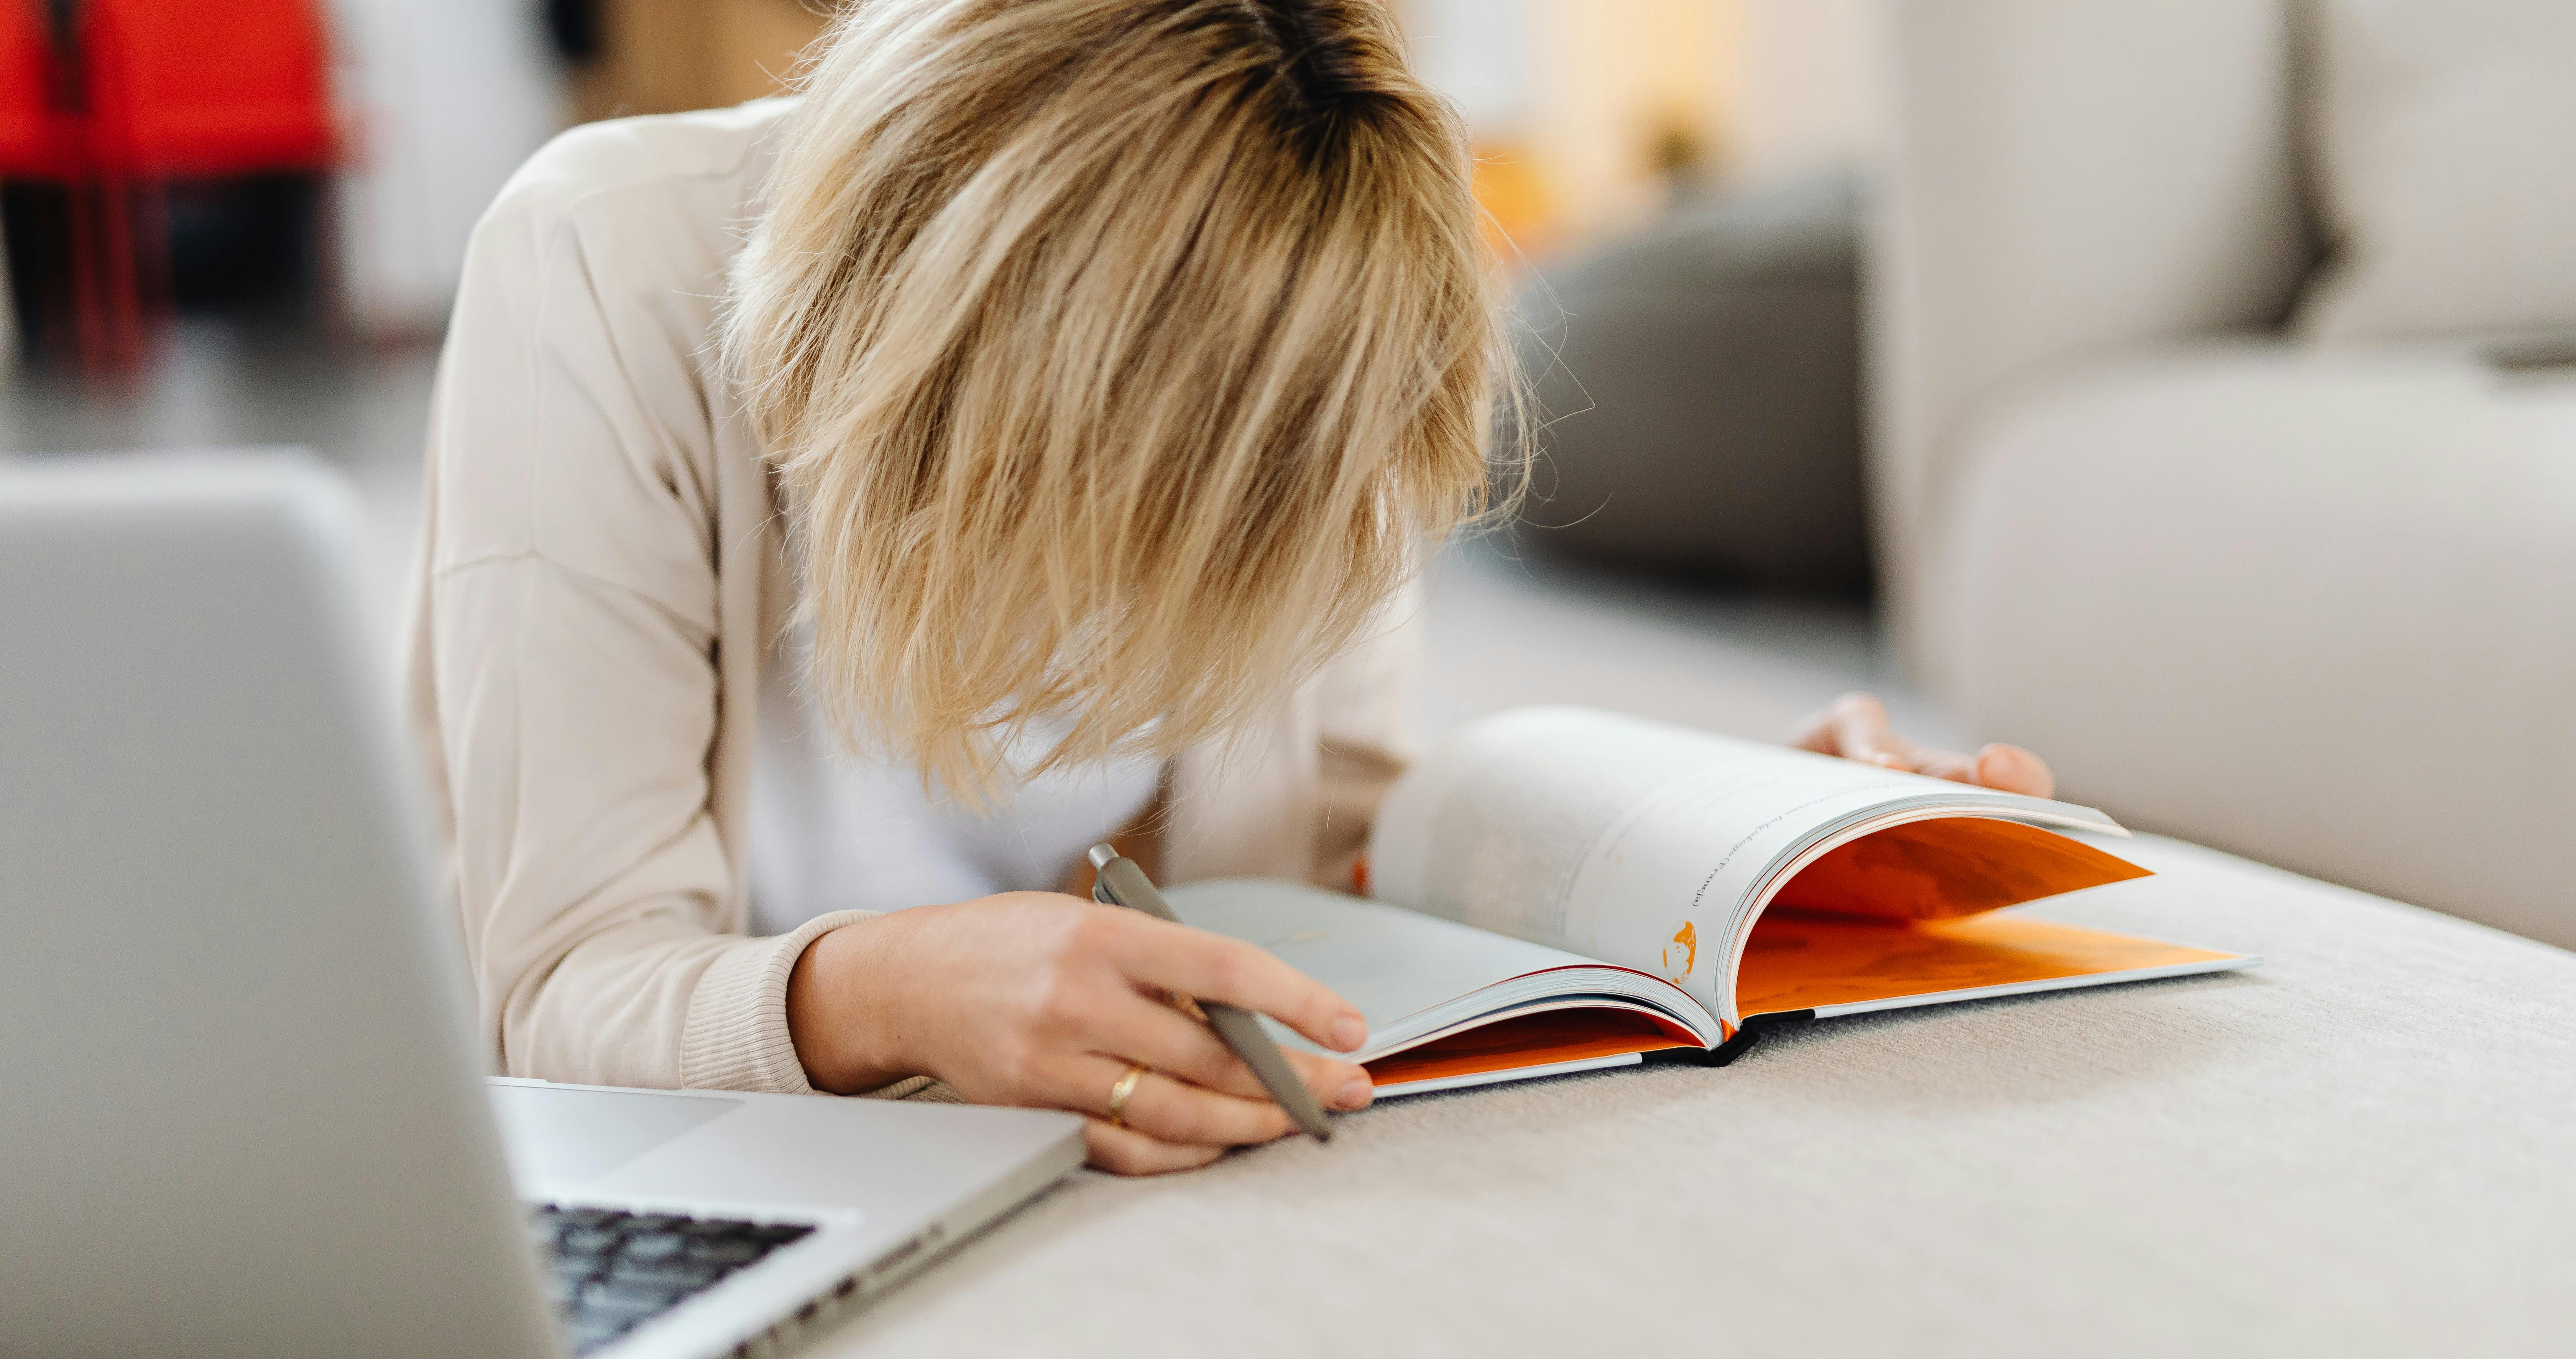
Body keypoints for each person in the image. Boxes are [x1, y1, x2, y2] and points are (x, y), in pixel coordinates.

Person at [403, 0, 2053, 1177]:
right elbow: (552, 993)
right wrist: (891, 988)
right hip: (750, 1186)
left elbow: (1333, 838)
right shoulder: (603, 268)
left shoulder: (1316, 327)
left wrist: (1731, 844)